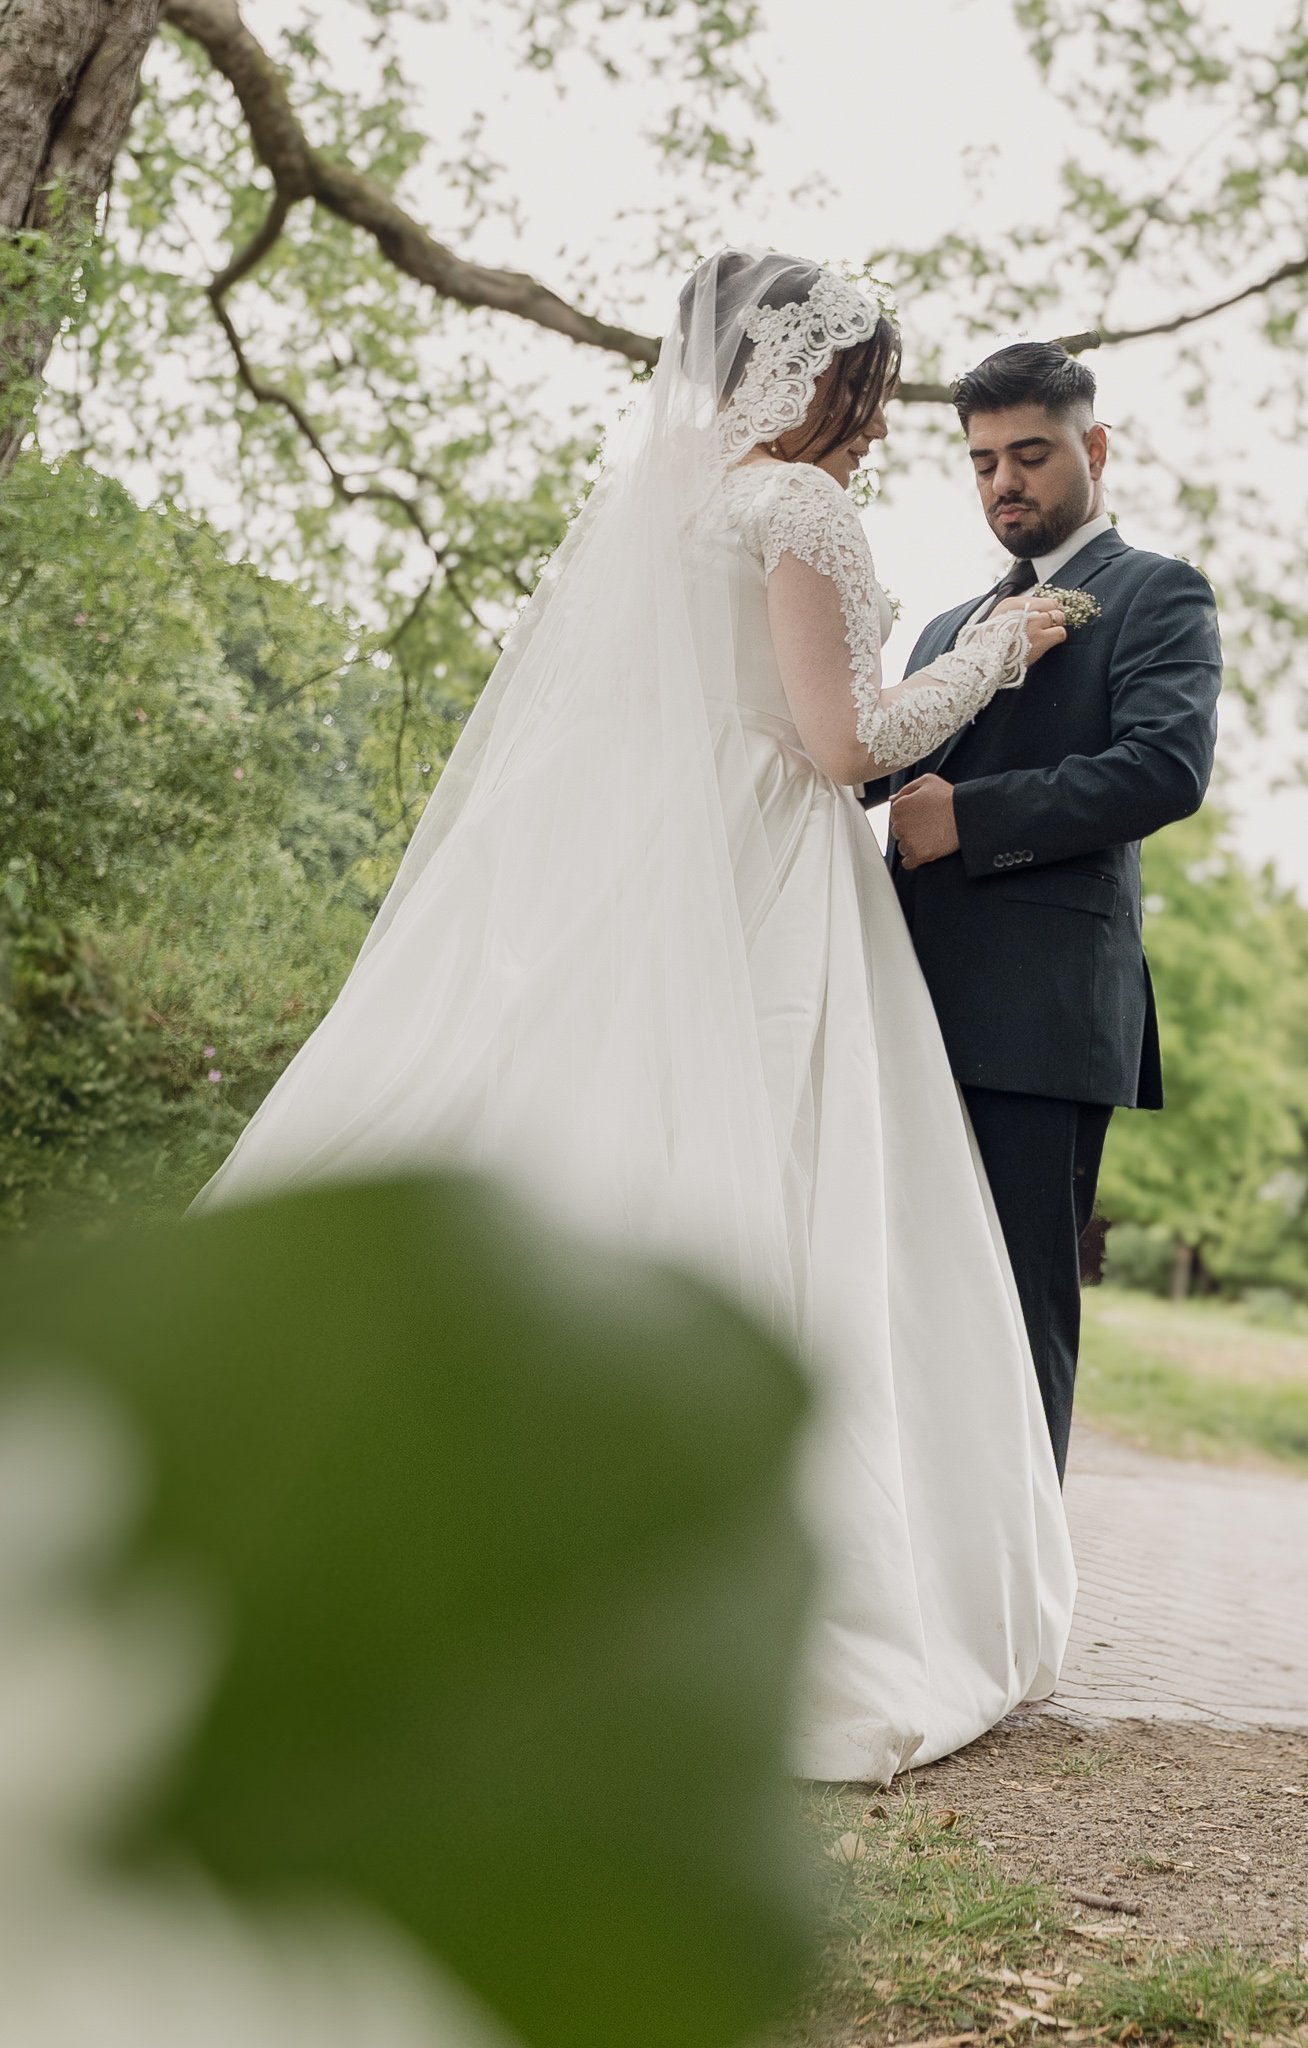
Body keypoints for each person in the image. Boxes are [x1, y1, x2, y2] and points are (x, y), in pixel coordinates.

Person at [193, 250, 1076, 1784]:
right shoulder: (793, 506)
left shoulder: (668, 502)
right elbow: (840, 741)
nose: (874, 427)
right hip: (764, 879)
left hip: (628, 862)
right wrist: (1001, 651)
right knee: (783, 1189)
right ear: (810, 375)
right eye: (867, 391)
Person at [865, 341, 1222, 1480]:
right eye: (981, 463)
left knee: (1020, 1312)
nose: (1003, 483)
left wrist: (972, 815)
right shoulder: (941, 628)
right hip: (904, 1006)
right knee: (902, 1304)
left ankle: (1014, 1624)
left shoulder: (1157, 591)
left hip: (1040, 1021)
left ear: (1093, 448)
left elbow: (1164, 768)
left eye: (1029, 454)